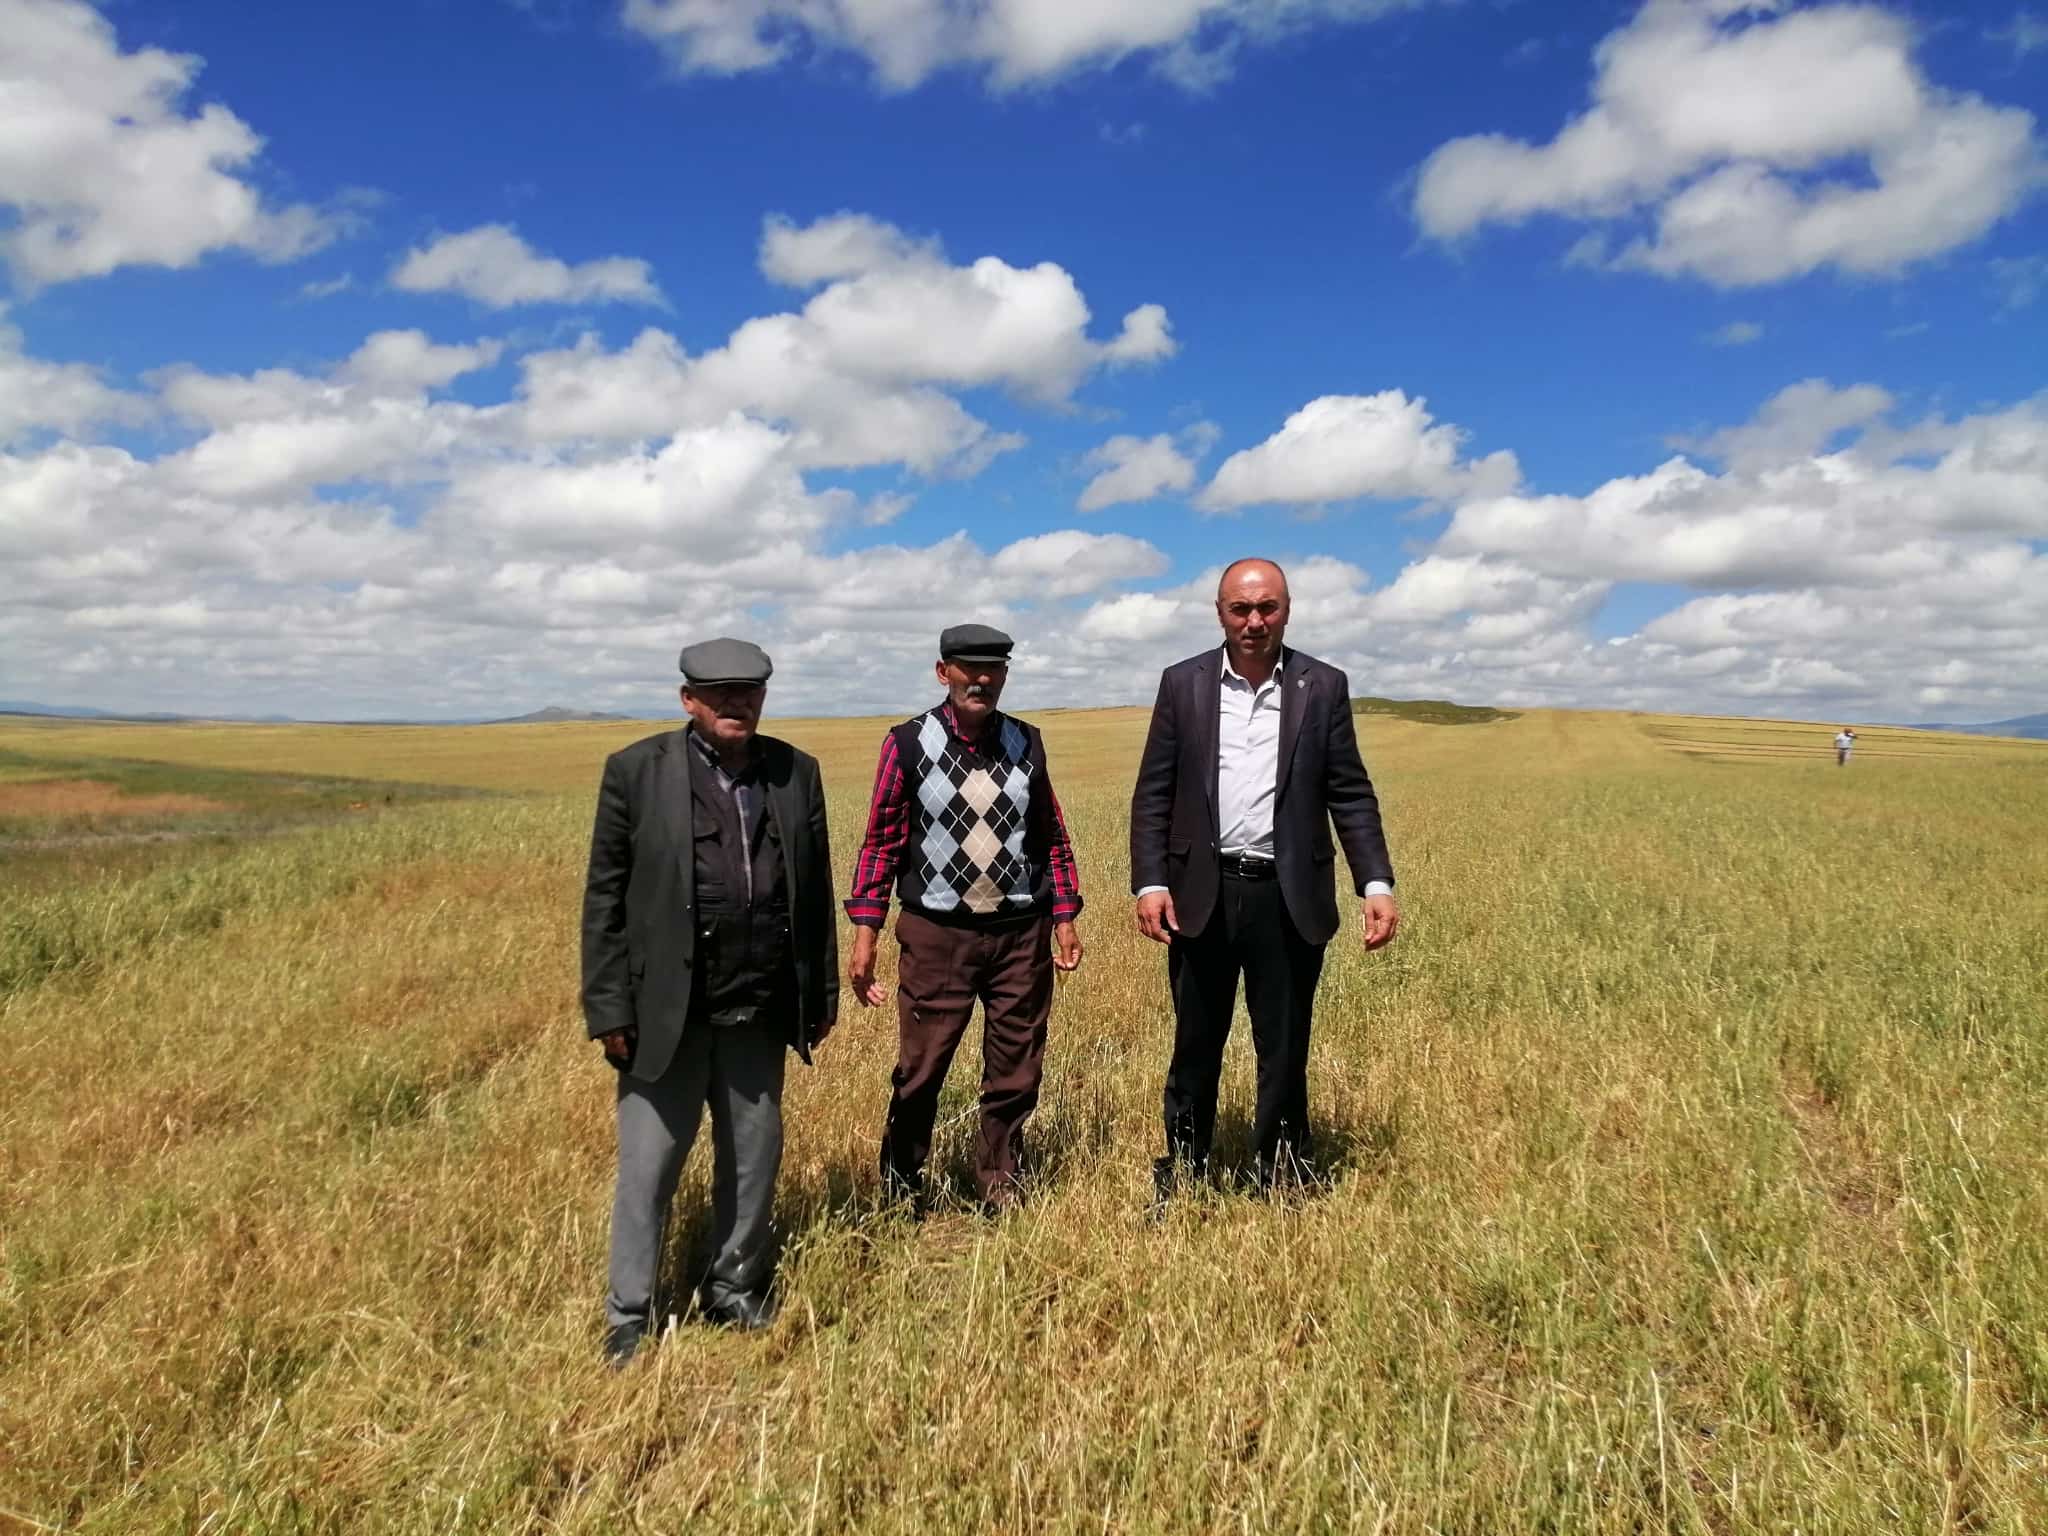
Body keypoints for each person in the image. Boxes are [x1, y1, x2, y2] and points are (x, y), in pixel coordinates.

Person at [580, 638, 838, 1367]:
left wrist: (817, 993)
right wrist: (609, 1008)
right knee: (650, 1167)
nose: (737, 703)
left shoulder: (795, 773)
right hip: (667, 1013)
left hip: (758, 1006)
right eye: (719, 692)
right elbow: (604, 898)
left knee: (753, 1160)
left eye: (749, 691)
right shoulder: (636, 772)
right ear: (688, 698)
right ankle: (630, 1314)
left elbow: (812, 893)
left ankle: (735, 1288)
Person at [1129, 558, 1398, 1197]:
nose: (1254, 621)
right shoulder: (1183, 683)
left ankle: (1283, 1171)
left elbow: (1350, 793)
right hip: (1202, 894)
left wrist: (1376, 884)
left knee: (1283, 1044)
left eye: (1267, 608)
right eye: (1240, 609)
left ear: (1287, 608)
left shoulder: (1323, 685)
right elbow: (1154, 792)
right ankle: (1186, 1169)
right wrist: (1149, 882)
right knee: (1196, 1041)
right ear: (1220, 612)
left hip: (1287, 895)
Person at [845, 624, 1085, 1212]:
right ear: (942, 671)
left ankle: (1000, 1182)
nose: (980, 679)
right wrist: (865, 933)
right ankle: (902, 1185)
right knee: (922, 1069)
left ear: (1004, 674)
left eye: (993, 669)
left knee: (1016, 1068)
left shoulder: (1027, 742)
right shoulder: (907, 743)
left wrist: (1064, 914)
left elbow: (1049, 835)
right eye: (967, 668)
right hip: (937, 935)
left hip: (1019, 934)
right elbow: (881, 841)